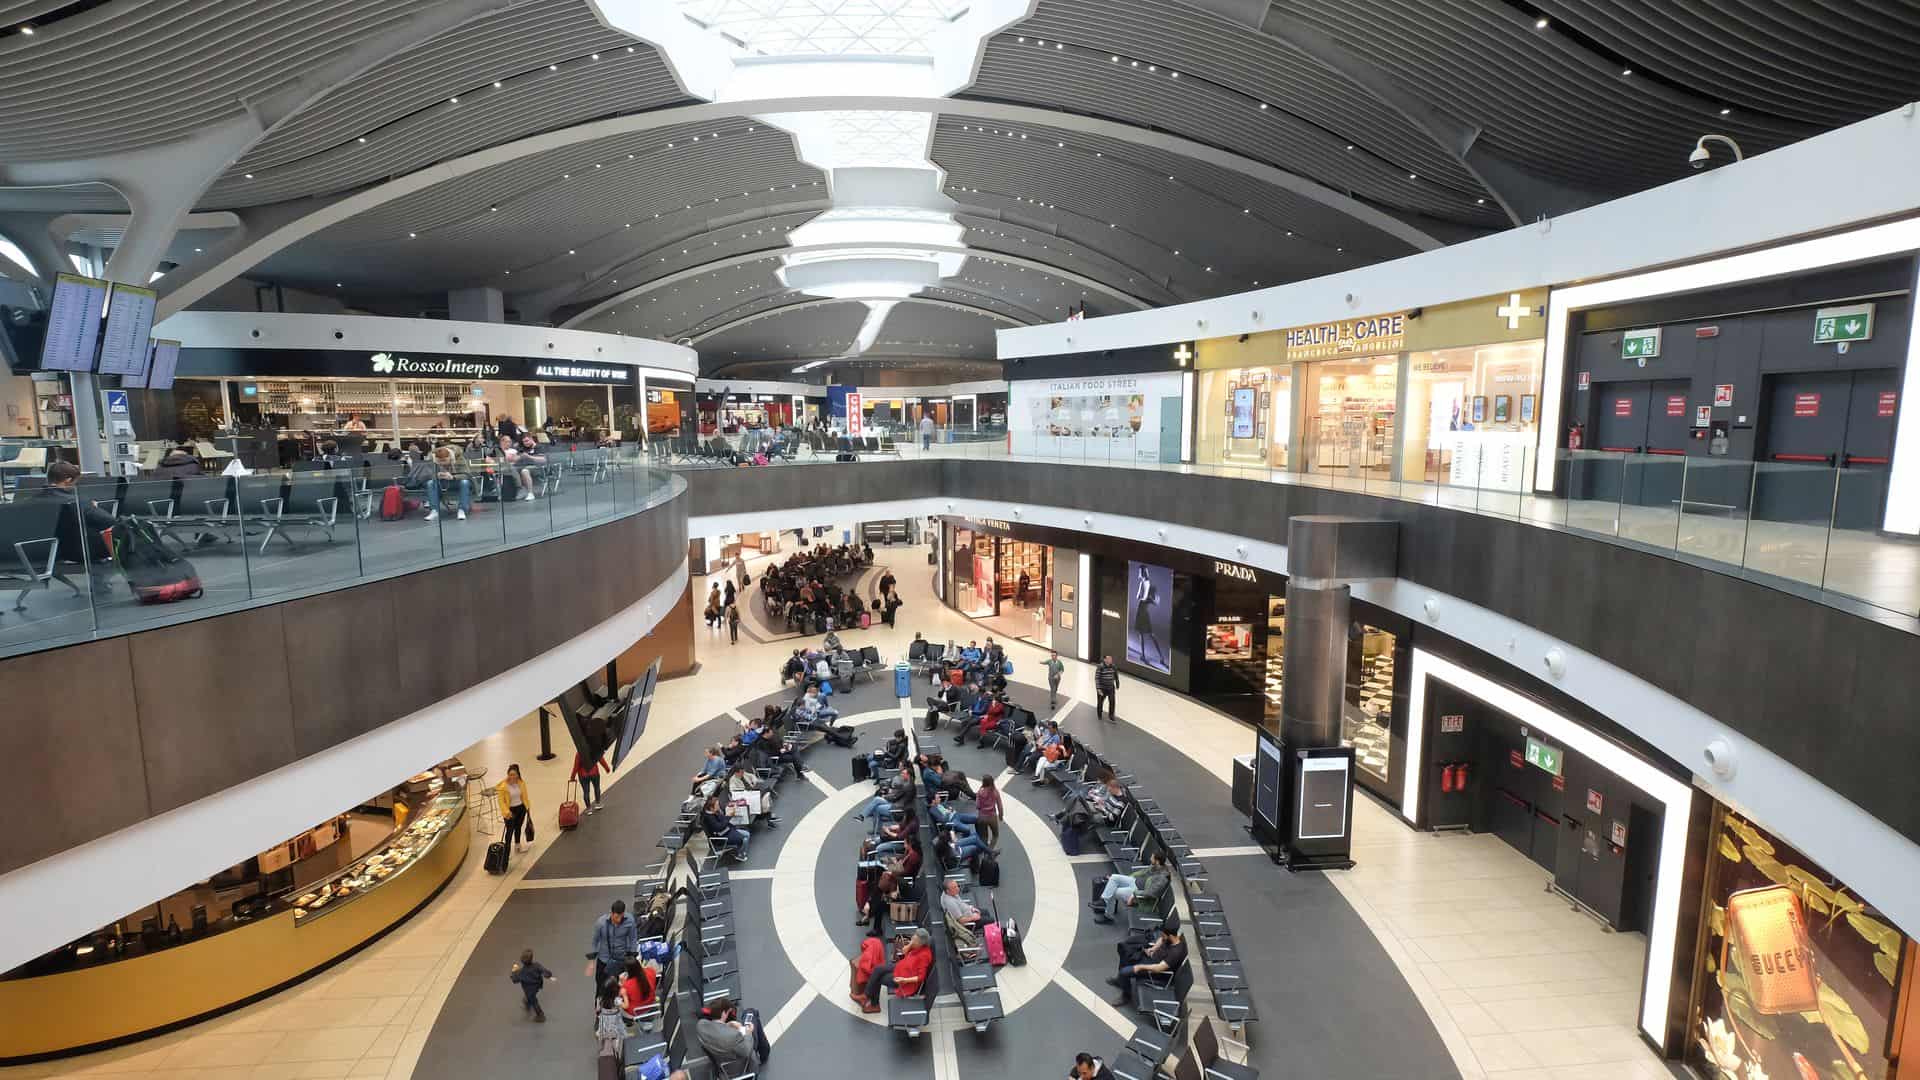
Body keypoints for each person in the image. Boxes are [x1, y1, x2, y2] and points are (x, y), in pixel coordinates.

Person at [36, 461, 116, 582]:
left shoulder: (32, 499)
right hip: (76, 551)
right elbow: (108, 521)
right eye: (75, 482)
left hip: (42, 551)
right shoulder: (75, 501)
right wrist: (93, 507)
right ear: (68, 480)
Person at [854, 929, 933, 1013]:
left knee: (878, 978)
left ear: (921, 944)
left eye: (915, 941)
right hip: (901, 967)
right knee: (877, 969)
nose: (912, 941)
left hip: (904, 978)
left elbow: (921, 977)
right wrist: (910, 945)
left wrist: (904, 980)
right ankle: (866, 996)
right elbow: (906, 952)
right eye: (913, 938)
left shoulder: (924, 956)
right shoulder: (917, 946)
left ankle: (874, 1005)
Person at [1109, 925, 1186, 1006]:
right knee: (1125, 951)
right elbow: (1161, 939)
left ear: (1170, 936)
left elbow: (1159, 968)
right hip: (1151, 958)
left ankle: (1126, 996)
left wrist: (1140, 967)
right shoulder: (1172, 939)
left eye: (1163, 935)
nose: (1162, 937)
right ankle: (1120, 981)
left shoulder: (1175, 953)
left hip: (1156, 971)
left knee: (1124, 972)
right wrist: (1153, 949)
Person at [1092, 851, 1170, 924]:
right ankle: (1104, 900)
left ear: (1157, 861)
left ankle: (1108, 916)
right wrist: (1127, 878)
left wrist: (1134, 894)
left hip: (1137, 891)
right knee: (1114, 877)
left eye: (1152, 857)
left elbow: (1150, 893)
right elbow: (1142, 872)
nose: (1150, 858)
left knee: (1113, 892)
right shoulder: (1155, 866)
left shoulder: (1162, 878)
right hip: (1134, 881)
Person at [587, 899, 640, 991]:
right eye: (616, 917)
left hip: (621, 959)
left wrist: (632, 958)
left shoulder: (630, 921)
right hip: (604, 960)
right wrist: (591, 962)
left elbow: (633, 939)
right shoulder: (601, 923)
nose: (618, 920)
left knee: (620, 987)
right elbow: (595, 941)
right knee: (601, 986)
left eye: (621, 917)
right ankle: (599, 1003)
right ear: (611, 913)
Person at [696, 997, 760, 1072]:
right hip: (740, 1067)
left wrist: (725, 1026)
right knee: (751, 1013)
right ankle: (765, 1052)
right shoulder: (734, 1036)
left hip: (721, 1067)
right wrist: (746, 1032)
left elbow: (718, 1032)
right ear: (723, 1013)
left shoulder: (700, 1026)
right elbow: (747, 1050)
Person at [1131, 565, 1166, 668]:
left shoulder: (1147, 583)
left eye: (1140, 572)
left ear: (1142, 572)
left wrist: (1148, 598)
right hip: (1142, 610)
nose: (1139, 574)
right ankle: (1146, 656)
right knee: (1144, 634)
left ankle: (1158, 657)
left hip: (1142, 611)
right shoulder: (1144, 582)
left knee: (1149, 634)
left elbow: (1143, 598)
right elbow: (1140, 597)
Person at [494, 764, 533, 853]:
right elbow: (501, 802)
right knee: (510, 831)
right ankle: (506, 851)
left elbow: (524, 796)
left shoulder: (521, 783)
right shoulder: (503, 787)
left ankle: (517, 846)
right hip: (510, 812)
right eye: (510, 774)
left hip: (521, 809)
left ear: (518, 775)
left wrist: (527, 807)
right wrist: (507, 812)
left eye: (514, 774)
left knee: (518, 827)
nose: (512, 776)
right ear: (508, 774)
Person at [507, 948, 554, 1022]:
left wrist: (513, 971)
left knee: (534, 1001)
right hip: (537, 986)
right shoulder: (537, 965)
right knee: (530, 997)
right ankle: (528, 1001)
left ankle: (540, 1015)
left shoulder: (521, 972)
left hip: (529, 990)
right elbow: (545, 971)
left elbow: (514, 980)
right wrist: (549, 976)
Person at [424, 446, 470, 521]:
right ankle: (434, 511)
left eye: (444, 460)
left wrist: (453, 477)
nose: (442, 463)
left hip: (455, 482)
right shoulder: (433, 459)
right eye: (440, 461)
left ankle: (462, 510)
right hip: (442, 482)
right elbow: (427, 474)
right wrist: (436, 475)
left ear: (450, 457)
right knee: (430, 483)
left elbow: (466, 474)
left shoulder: (459, 458)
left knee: (464, 482)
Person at [701, 792, 750, 862]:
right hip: (720, 838)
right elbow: (719, 827)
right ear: (711, 808)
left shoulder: (714, 812)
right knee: (744, 838)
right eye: (717, 805)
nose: (718, 806)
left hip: (726, 831)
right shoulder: (709, 818)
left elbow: (723, 820)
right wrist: (729, 816)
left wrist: (728, 816)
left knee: (747, 834)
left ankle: (740, 851)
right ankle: (740, 855)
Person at [594, 979, 625, 1078]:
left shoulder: (600, 999)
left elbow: (597, 1010)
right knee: (618, 1041)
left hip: (605, 1024)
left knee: (606, 1039)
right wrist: (624, 995)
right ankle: (618, 1057)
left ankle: (603, 1048)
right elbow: (625, 1006)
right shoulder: (617, 1000)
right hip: (616, 1024)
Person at [619, 957, 658, 1031]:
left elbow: (621, 996)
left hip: (635, 1011)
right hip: (651, 1005)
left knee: (617, 1002)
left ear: (627, 971)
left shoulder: (627, 985)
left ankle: (628, 1021)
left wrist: (621, 983)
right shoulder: (650, 971)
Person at [572, 742, 607, 814]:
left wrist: (572, 777)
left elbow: (576, 767)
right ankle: (598, 804)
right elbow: (601, 759)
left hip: (583, 775)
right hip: (595, 773)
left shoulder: (579, 754)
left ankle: (589, 809)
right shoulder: (594, 750)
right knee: (597, 788)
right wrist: (607, 768)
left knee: (586, 791)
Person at [499, 435, 536, 500]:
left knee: (512, 467)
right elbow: (490, 458)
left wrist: (512, 458)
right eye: (507, 442)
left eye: (510, 442)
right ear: (502, 442)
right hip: (500, 467)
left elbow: (518, 458)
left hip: (513, 467)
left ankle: (520, 488)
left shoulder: (514, 451)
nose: (509, 443)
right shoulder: (497, 450)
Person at [973, 774, 1002, 848]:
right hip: (992, 817)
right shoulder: (995, 792)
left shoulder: (980, 792)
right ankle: (990, 851)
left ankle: (985, 849)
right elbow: (1000, 806)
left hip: (982, 817)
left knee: (984, 836)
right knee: (995, 835)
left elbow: (977, 806)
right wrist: (1001, 816)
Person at [1095, 655, 1119, 723]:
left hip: (1111, 688)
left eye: (1111, 659)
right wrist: (1098, 689)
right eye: (1108, 659)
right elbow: (1097, 678)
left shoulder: (1113, 666)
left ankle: (1111, 716)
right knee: (1100, 702)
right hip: (1102, 688)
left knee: (1112, 702)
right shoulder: (1100, 667)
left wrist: (1117, 683)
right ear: (1105, 660)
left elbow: (1116, 675)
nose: (1110, 660)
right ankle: (1099, 714)